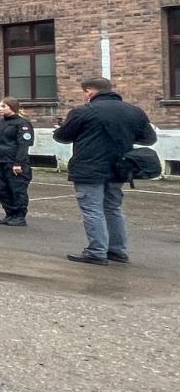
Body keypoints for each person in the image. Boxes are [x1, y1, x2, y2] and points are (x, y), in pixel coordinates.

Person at [52, 77, 158, 264]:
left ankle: (96, 251)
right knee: (113, 208)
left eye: (85, 92)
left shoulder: (82, 112)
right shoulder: (134, 111)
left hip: (88, 167)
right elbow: (149, 139)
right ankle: (118, 250)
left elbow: (63, 136)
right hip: (120, 166)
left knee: (92, 209)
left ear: (90, 92)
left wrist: (60, 130)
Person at [0, 98, 34, 226]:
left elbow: (23, 144)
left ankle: (19, 216)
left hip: (14, 162)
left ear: (12, 107)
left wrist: (18, 163)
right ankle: (9, 213)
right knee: (2, 189)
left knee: (17, 189)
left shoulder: (22, 123)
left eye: (3, 106)